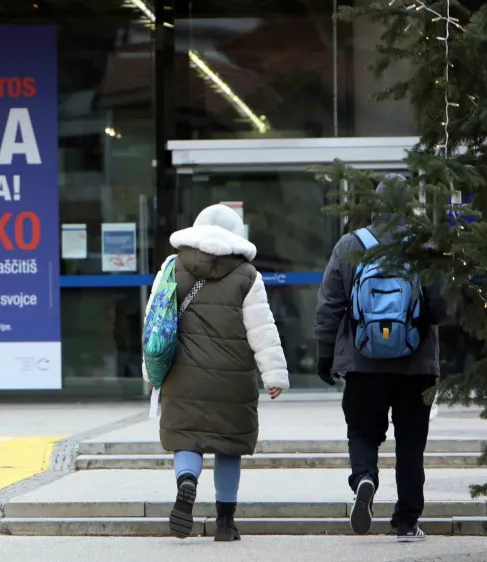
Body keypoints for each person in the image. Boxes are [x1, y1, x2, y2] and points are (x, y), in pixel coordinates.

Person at [314, 174, 448, 542]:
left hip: (361, 364)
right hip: (416, 366)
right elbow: (440, 307)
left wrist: (326, 355)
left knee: (361, 431)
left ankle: (365, 477)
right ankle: (406, 521)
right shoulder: (426, 246)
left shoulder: (350, 245)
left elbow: (329, 306)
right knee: (410, 444)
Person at [156, 204, 289, 542]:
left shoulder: (172, 266)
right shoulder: (247, 275)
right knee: (229, 445)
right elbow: (263, 329)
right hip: (233, 378)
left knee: (187, 436)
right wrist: (274, 374)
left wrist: (150, 369)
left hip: (182, 376)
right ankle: (226, 524)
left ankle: (187, 479)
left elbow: (154, 324)